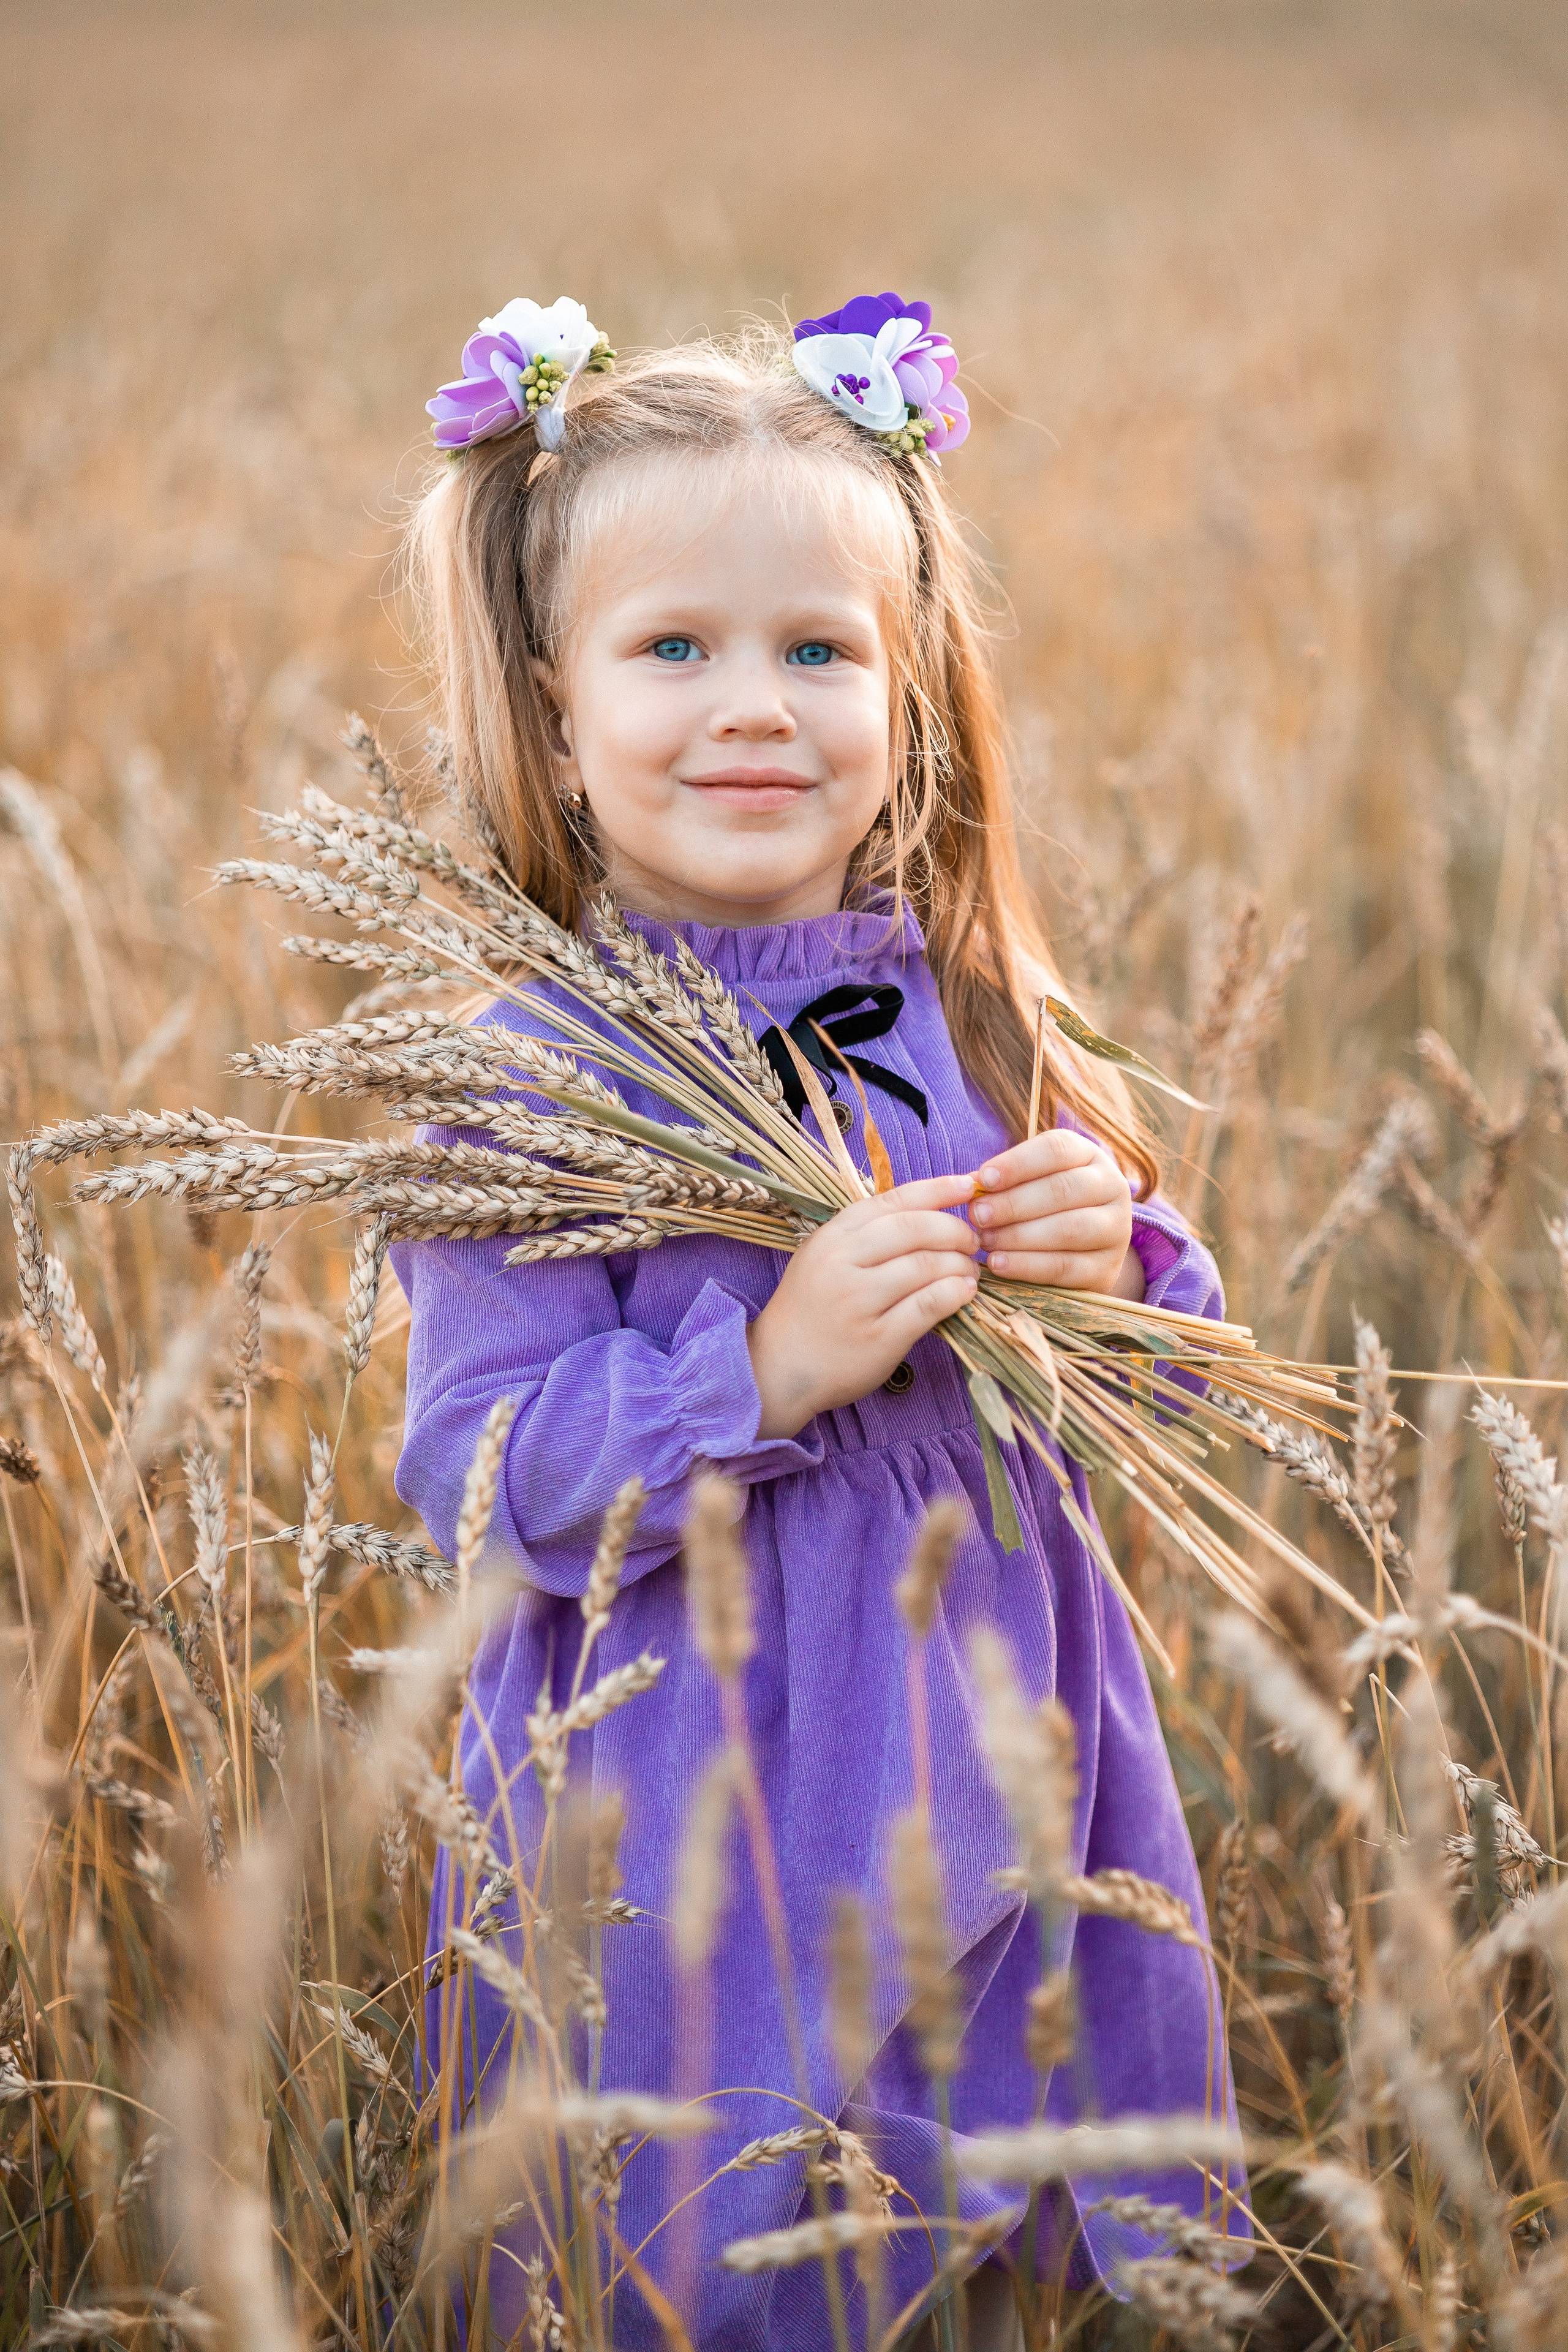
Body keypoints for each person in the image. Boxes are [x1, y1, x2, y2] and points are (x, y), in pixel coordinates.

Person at [394, 292, 1243, 2350]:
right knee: (730, 2236)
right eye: (673, 649)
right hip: (698, 1795)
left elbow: (1182, 1376)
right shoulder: (523, 1082)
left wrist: (1109, 1261)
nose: (750, 706)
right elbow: (481, 1475)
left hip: (999, 1747)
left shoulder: (978, 1017)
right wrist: (763, 1370)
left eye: (816, 651)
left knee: (995, 2231)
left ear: (910, 700)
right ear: (558, 705)